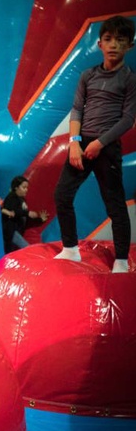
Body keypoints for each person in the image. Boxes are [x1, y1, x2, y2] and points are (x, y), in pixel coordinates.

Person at [53, 15, 136, 274]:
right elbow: (77, 109)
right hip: (82, 142)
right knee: (62, 195)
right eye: (109, 39)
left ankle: (121, 259)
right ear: (100, 43)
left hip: (107, 146)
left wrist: (100, 143)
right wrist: (74, 142)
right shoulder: (87, 75)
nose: (113, 45)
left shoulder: (129, 79)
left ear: (129, 46)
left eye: (120, 41)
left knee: (114, 204)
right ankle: (71, 249)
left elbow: (128, 119)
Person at [1, 176, 49, 253]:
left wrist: (40, 220)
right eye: (24, 187)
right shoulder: (11, 197)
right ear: (16, 187)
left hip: (16, 231)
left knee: (17, 251)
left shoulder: (22, 200)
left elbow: (24, 218)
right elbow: (12, 212)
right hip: (11, 231)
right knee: (27, 249)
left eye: (27, 188)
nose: (26, 190)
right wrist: (27, 213)